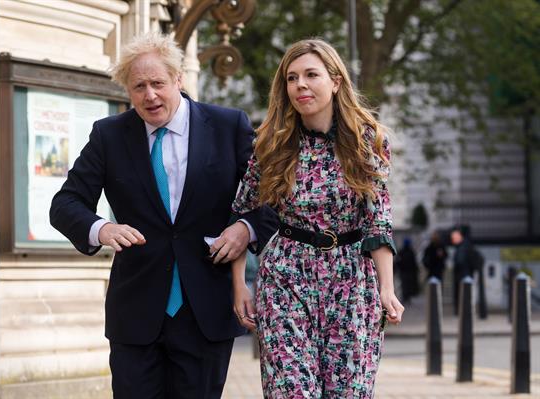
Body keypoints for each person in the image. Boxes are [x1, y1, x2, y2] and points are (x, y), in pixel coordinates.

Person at [49, 32, 277, 398]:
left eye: (157, 83)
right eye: (139, 86)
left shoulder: (228, 126)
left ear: (178, 79)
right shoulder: (108, 135)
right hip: (136, 312)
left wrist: (245, 229)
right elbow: (64, 204)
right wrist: (102, 228)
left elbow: (274, 199)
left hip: (205, 309)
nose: (150, 95)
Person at [230, 39, 404, 398]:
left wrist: (386, 289)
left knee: (348, 392)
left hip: (352, 280)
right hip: (286, 277)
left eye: (311, 75)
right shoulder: (272, 143)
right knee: (291, 391)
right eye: (292, 78)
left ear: (336, 81)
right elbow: (241, 212)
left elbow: (378, 220)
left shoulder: (367, 140)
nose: (301, 85)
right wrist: (238, 284)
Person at [450, 225, 483, 315]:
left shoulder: (463, 247)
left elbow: (460, 261)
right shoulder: (466, 245)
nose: (452, 238)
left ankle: (463, 312)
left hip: (463, 275)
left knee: (463, 295)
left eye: (454, 236)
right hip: (465, 274)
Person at [394, 238, 420, 305]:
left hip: (405, 271)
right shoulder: (410, 251)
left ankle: (406, 297)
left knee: (405, 285)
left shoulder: (403, 251)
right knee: (407, 284)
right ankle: (406, 297)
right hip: (407, 271)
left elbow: (398, 261)